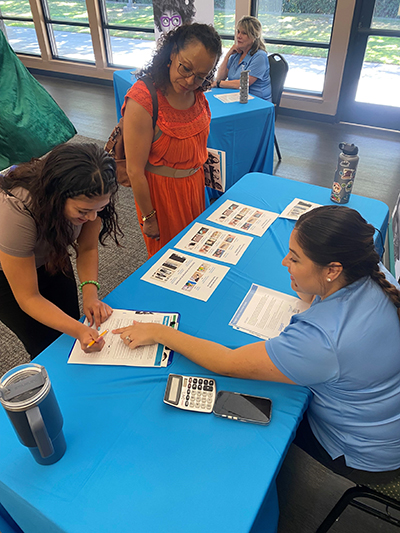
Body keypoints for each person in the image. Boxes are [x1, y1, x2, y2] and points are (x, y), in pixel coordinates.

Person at [113, 205, 400, 484]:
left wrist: (160, 333)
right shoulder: (373, 274)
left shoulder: (320, 340)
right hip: (386, 424)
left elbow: (227, 364)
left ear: (332, 270)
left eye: (295, 259)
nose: (285, 262)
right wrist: (310, 286)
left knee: (240, 428)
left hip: (362, 452)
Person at [0, 143, 122, 359]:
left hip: (51, 253)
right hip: (7, 276)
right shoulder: (17, 211)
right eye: (83, 211)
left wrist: (91, 296)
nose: (93, 218)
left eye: (100, 209)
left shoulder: (93, 197)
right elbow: (28, 298)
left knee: (70, 323)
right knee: (45, 344)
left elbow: (87, 248)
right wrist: (79, 331)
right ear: (56, 197)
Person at [121, 23, 222, 258]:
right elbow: (134, 170)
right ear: (172, 53)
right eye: (185, 68)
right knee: (168, 262)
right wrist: (148, 217)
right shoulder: (143, 99)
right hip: (162, 197)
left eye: (200, 76)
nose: (189, 81)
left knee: (196, 254)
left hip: (195, 189)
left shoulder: (197, 93)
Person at [212, 16, 271, 101]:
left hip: (256, 101)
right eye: (238, 32)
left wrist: (218, 83)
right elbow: (220, 77)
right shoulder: (237, 54)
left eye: (244, 33)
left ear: (254, 36)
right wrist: (228, 55)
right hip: (236, 98)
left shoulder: (260, 56)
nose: (238, 36)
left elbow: (242, 84)